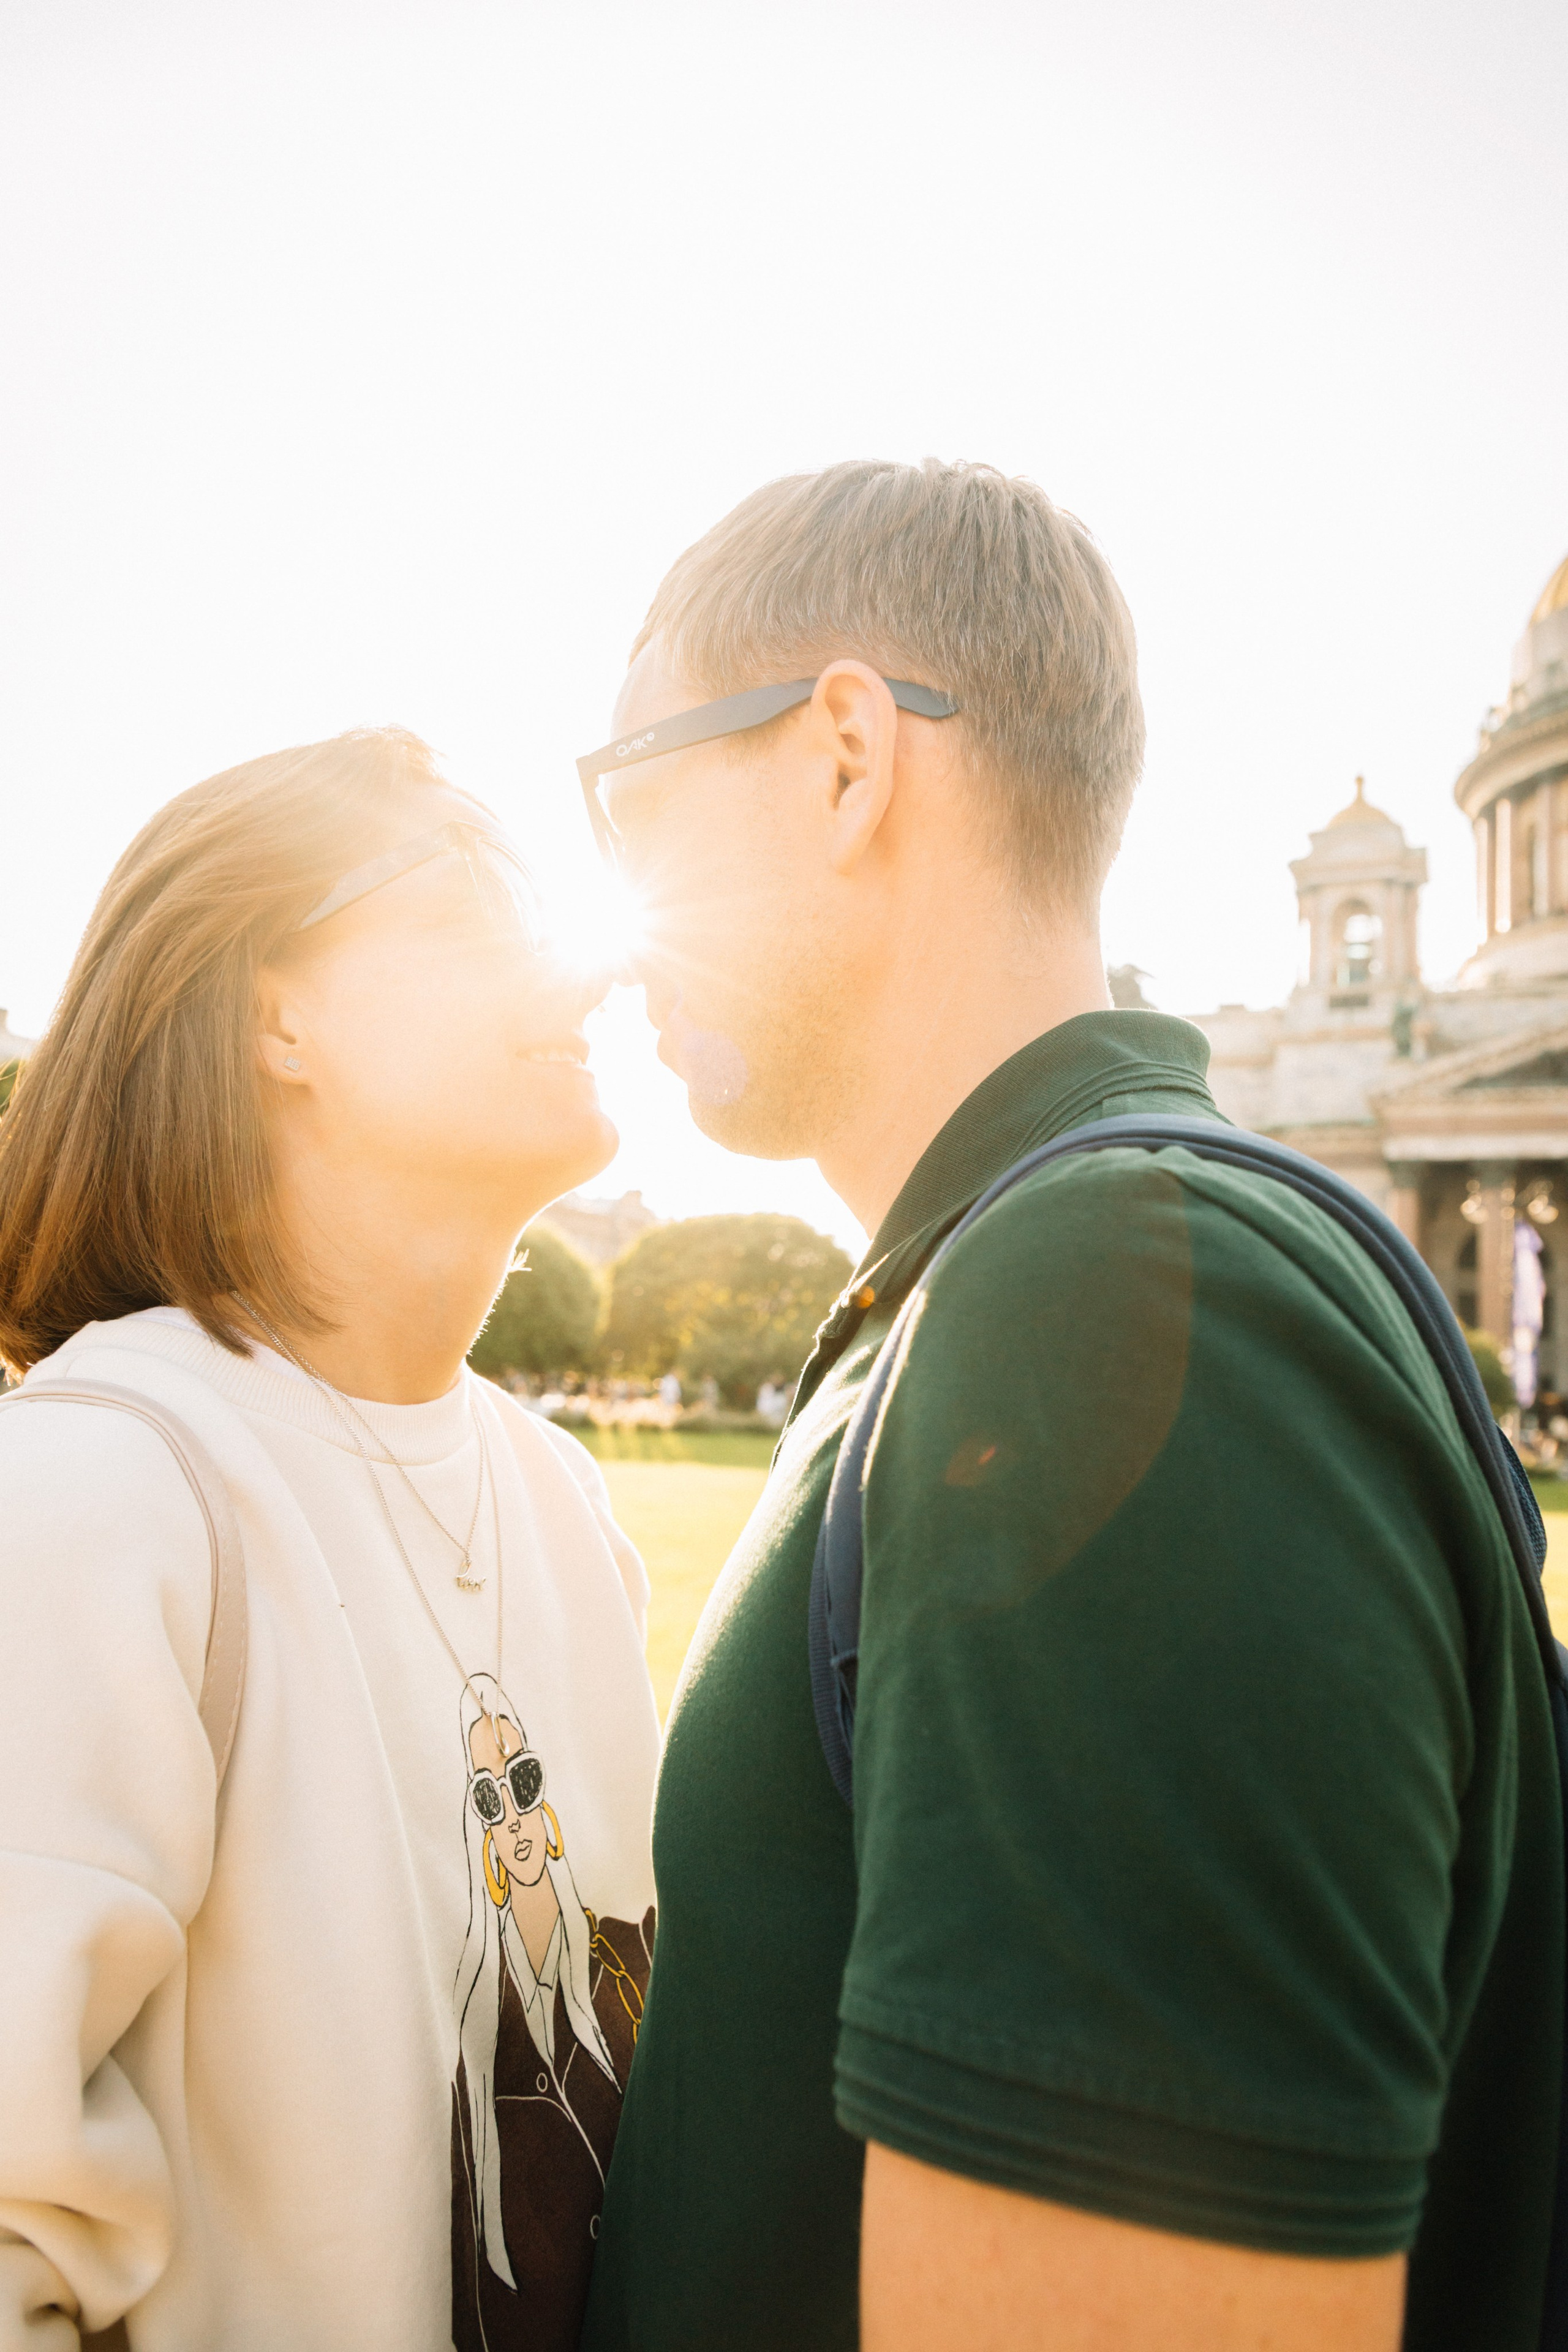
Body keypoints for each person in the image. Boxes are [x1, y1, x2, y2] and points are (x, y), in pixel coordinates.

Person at [576, 462, 1563, 2352]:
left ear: (845, 758)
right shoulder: (1026, 1277)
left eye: (630, 806)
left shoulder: (1107, 1305)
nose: (610, 925)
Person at [0, 729, 661, 2351]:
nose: (590, 976)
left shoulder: (567, 1501)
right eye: (476, 919)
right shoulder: (103, 1496)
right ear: (273, 1015)